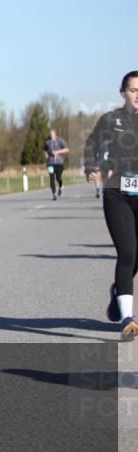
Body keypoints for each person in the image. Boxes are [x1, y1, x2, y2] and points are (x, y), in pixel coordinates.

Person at [84, 71, 138, 341]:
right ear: (123, 92)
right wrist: (91, 167)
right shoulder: (110, 120)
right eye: (133, 90)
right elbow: (92, 143)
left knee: (136, 255)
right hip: (118, 193)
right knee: (127, 251)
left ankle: (118, 291)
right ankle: (128, 319)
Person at [45, 128, 70, 201]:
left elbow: (67, 149)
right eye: (50, 134)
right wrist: (46, 154)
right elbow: (44, 149)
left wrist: (58, 152)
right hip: (50, 162)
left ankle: (61, 186)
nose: (51, 135)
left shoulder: (60, 140)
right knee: (52, 177)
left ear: (55, 134)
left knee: (58, 177)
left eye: (52, 134)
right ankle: (54, 194)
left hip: (59, 162)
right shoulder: (47, 142)